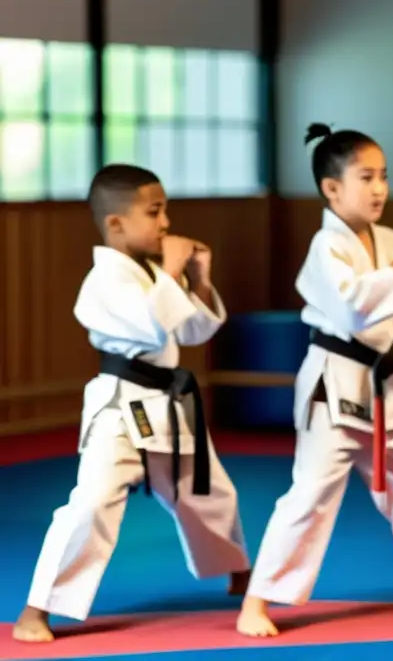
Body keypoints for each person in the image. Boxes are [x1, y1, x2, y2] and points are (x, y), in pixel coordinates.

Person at [236, 125, 393, 638]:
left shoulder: (386, 238)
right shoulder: (327, 245)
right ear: (331, 189)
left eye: (384, 177)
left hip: (385, 382)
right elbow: (352, 308)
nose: (378, 188)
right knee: (312, 492)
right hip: (336, 384)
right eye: (365, 177)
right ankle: (257, 600)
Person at [12, 164, 251, 644]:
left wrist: (199, 279)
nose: (165, 223)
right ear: (116, 223)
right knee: (94, 502)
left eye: (166, 211)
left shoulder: (151, 275)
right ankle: (36, 609)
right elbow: (150, 324)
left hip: (169, 402)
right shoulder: (103, 281)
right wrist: (173, 271)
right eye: (154, 212)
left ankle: (240, 573)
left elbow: (192, 329)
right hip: (120, 410)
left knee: (209, 493)